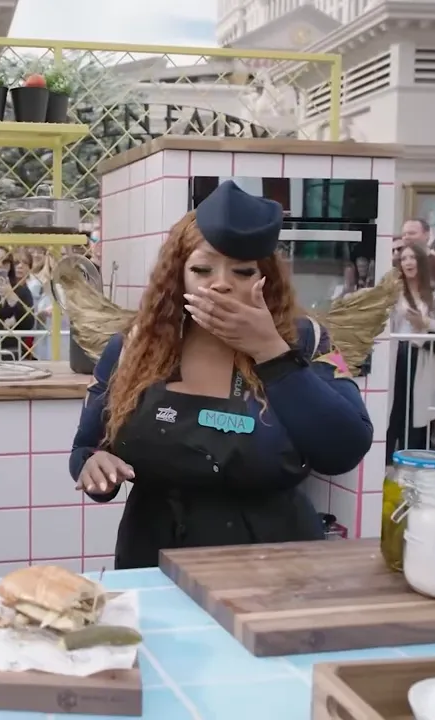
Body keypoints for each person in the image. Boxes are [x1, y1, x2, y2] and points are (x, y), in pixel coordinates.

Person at [68, 181, 373, 569]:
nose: (221, 283)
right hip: (155, 561)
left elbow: (344, 449)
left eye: (243, 271)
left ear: (267, 278)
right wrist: (95, 466)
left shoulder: (305, 339)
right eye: (201, 269)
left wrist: (271, 352)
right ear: (176, 276)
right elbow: (86, 448)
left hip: (275, 566)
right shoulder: (134, 347)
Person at [387, 243, 435, 458]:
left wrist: (424, 322)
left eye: (413, 258)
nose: (408, 262)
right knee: (393, 408)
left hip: (422, 356)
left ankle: (412, 460)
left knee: (417, 410)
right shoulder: (393, 290)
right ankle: (387, 462)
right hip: (394, 355)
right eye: (404, 258)